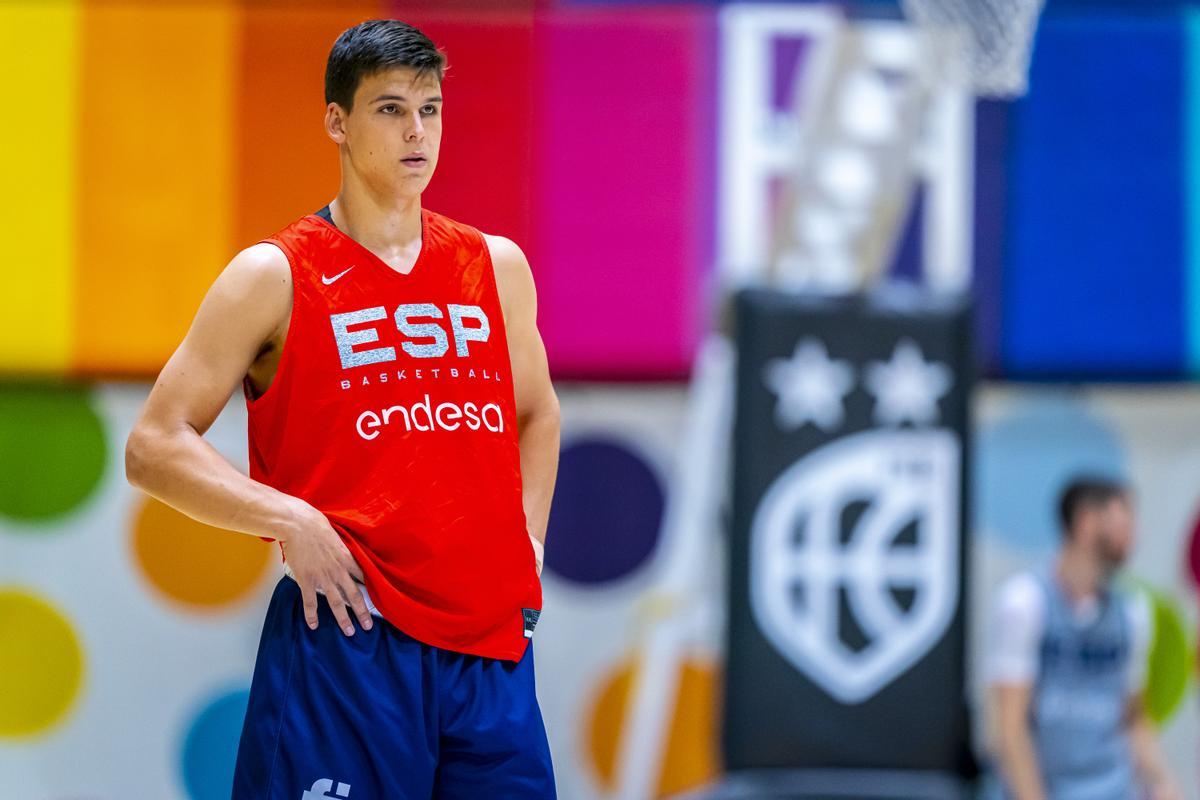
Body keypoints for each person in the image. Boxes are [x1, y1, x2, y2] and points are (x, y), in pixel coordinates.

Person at [124, 18, 560, 799]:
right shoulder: (274, 274)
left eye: (430, 109)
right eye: (390, 109)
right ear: (337, 120)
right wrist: (292, 520)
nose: (416, 131)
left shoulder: (495, 265)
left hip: (490, 652)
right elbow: (155, 445)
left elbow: (537, 415)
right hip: (351, 641)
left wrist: (527, 538)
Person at [987, 477, 1180, 800]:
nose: (1135, 534)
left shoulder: (1132, 612)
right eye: (1126, 518)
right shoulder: (1024, 603)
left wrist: (1164, 783)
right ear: (1087, 522)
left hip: (1112, 789)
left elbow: (1134, 719)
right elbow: (1009, 729)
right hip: (1047, 788)